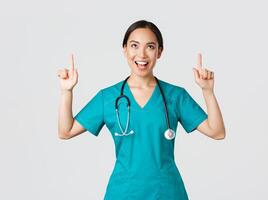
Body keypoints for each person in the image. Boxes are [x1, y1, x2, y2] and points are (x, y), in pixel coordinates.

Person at [57, 20, 225, 200]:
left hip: (167, 192)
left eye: (150, 47)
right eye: (134, 46)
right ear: (125, 49)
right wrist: (67, 91)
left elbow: (217, 132)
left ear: (159, 52)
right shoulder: (108, 97)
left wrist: (207, 91)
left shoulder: (176, 96)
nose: (142, 54)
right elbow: (66, 131)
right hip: (123, 193)